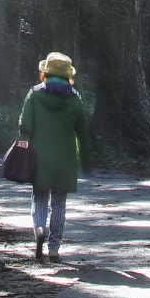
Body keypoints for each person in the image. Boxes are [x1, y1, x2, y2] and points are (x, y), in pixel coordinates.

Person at [19, 52, 92, 262]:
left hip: (39, 157)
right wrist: (86, 158)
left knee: (39, 198)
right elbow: (83, 131)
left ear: (45, 72)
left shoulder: (34, 94)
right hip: (66, 159)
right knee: (59, 203)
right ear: (68, 76)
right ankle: (54, 248)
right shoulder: (75, 98)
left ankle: (40, 229)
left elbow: (25, 126)